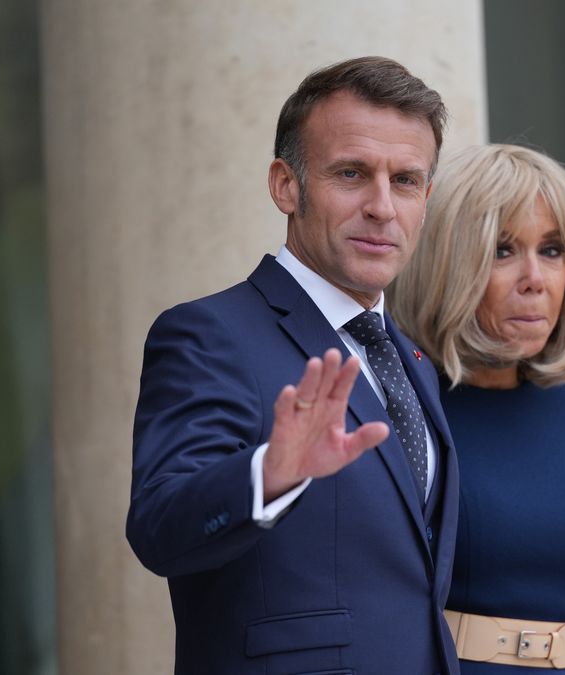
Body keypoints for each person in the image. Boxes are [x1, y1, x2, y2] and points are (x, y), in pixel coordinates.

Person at [127, 56, 462, 674]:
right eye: (352, 174)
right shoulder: (209, 335)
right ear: (286, 185)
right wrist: (268, 475)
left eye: (407, 181)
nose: (383, 207)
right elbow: (159, 526)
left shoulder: (411, 357)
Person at [390, 143, 565, 674]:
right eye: (503, 251)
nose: (535, 280)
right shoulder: (401, 404)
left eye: (551, 250)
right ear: (447, 263)